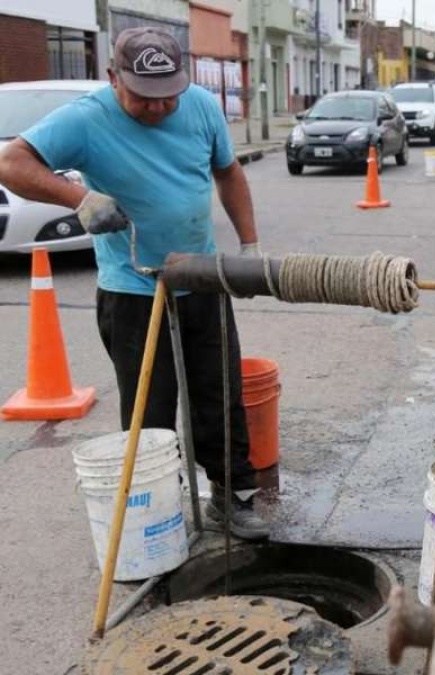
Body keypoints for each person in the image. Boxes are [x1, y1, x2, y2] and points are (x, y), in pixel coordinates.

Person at [0, 28, 268, 540]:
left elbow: (228, 172)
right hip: (134, 288)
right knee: (151, 409)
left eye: (169, 92)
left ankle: (230, 498)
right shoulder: (86, 118)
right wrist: (76, 197)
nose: (160, 106)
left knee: (221, 393)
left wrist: (250, 246)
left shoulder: (200, 107)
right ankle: (157, 511)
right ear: (113, 78)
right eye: (144, 96)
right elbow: (12, 163)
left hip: (202, 278)